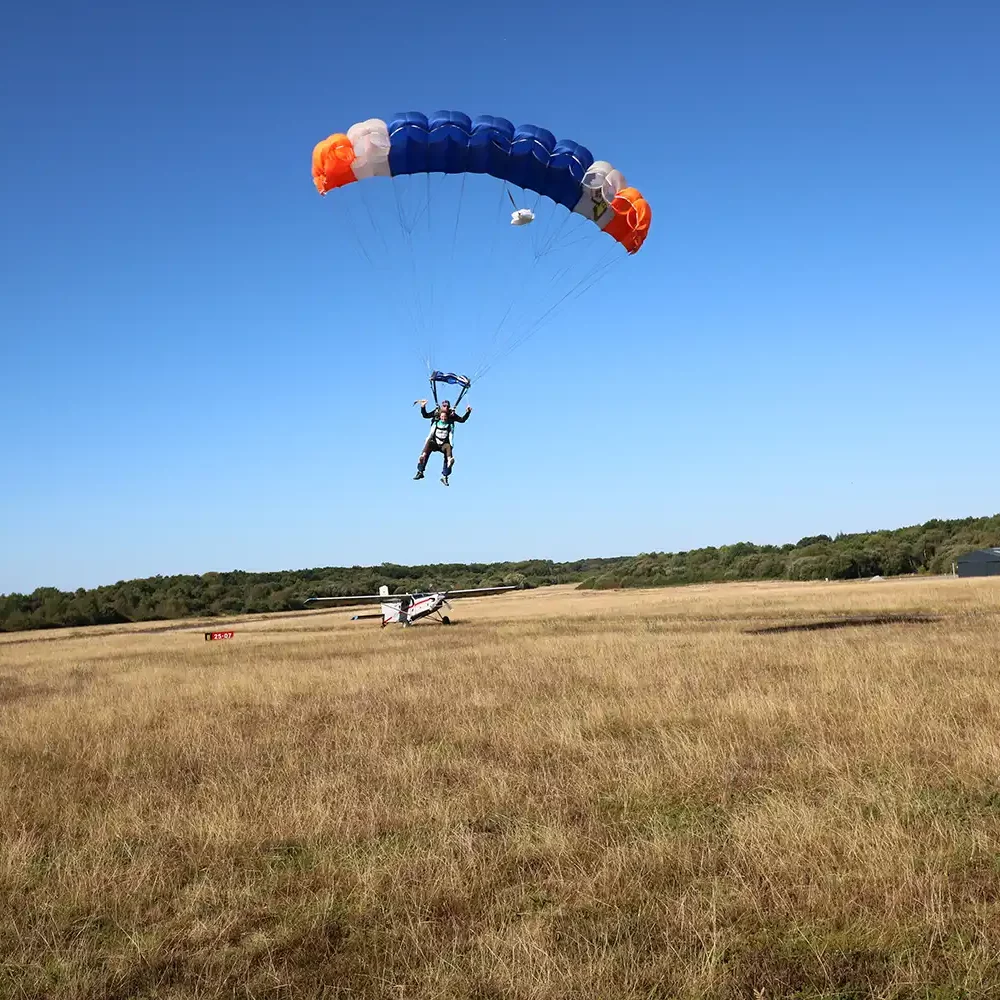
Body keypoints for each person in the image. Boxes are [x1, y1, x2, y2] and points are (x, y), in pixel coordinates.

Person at [413, 398, 472, 485]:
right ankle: (420, 470)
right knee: (427, 446)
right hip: (434, 441)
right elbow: (425, 415)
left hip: (445, 443)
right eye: (444, 406)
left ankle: (445, 475)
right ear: (441, 406)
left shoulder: (452, 415)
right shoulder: (436, 412)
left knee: (448, 452)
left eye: (447, 406)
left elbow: (462, 420)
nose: (446, 408)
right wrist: (423, 407)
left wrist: (467, 412)